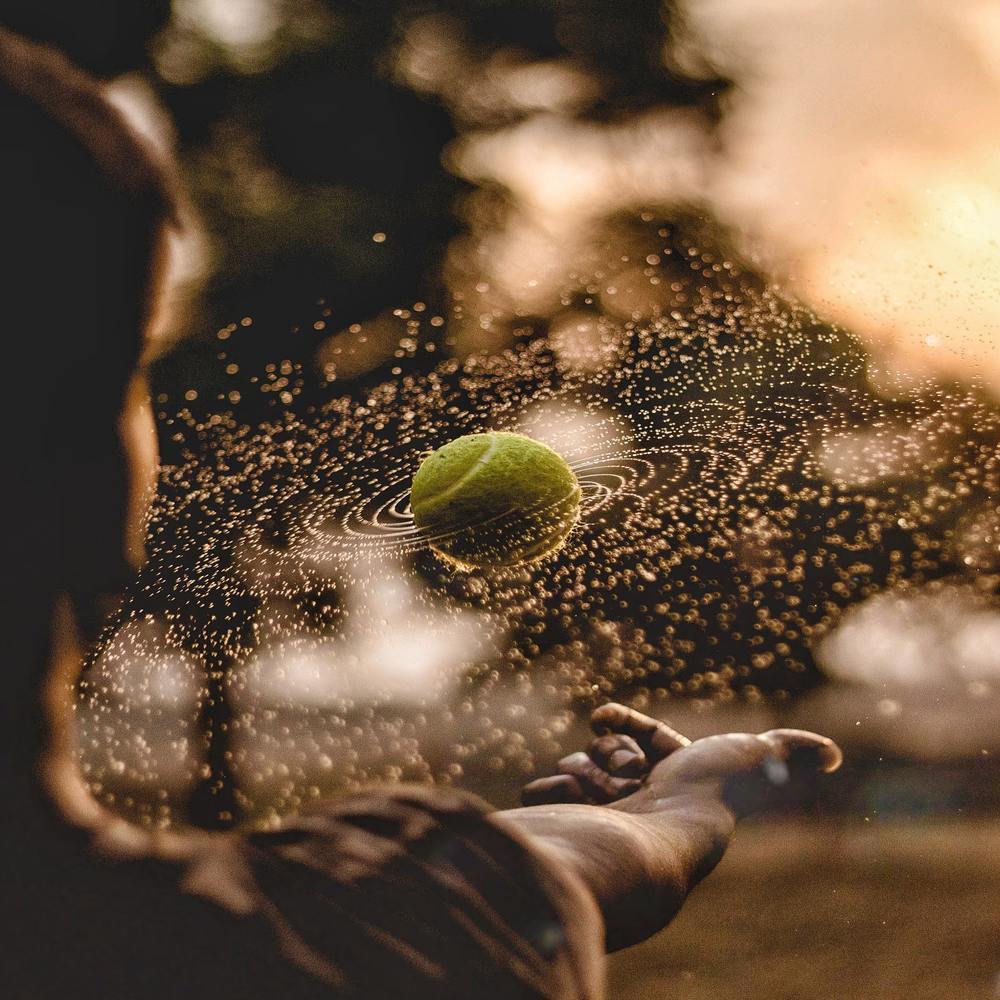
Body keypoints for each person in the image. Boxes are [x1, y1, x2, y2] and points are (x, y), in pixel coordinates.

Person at [1, 20, 842, 999]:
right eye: (133, 370)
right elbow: (470, 897)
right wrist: (667, 819)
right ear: (90, 478)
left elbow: (519, 873)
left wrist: (617, 837)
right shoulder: (350, 949)